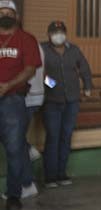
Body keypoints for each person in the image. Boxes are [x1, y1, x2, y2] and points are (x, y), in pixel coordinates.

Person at [41, 20, 92, 189]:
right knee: (53, 137)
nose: (58, 35)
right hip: (51, 102)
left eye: (61, 31)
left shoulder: (74, 50)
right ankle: (50, 176)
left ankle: (62, 174)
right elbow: (38, 74)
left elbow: (84, 68)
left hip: (72, 101)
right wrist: (53, 86)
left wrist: (87, 88)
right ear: (49, 35)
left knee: (66, 137)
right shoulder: (42, 50)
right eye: (55, 32)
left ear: (65, 33)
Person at [0, 0, 41, 210]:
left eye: (9, 12)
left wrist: (7, 85)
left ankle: (14, 194)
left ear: (17, 16)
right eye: (1, 11)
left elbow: (30, 70)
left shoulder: (26, 39)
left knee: (15, 149)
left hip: (13, 100)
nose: (5, 15)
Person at [19, 45, 45, 199]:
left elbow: (47, 77)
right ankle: (29, 149)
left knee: (16, 141)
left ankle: (28, 184)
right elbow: (47, 76)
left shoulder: (73, 52)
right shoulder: (42, 48)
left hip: (27, 97)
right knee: (16, 140)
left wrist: (55, 89)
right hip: (36, 96)